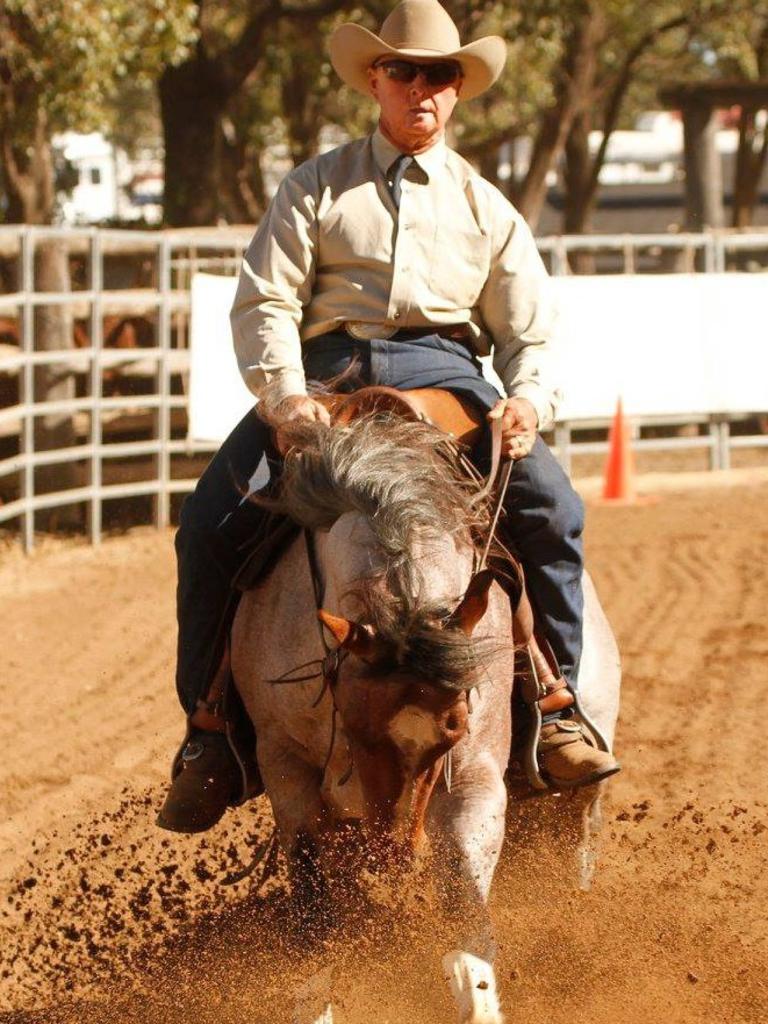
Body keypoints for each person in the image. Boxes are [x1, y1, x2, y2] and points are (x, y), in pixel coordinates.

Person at [157, 0, 619, 834]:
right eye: (403, 71)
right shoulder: (316, 185)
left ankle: (557, 709)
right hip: (326, 378)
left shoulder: (486, 208)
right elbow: (265, 300)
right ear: (375, 79)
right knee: (207, 525)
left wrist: (527, 401)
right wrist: (286, 396)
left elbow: (530, 331)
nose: (422, 89)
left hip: (449, 379)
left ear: (457, 89)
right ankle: (211, 733)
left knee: (553, 510)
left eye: (438, 74)